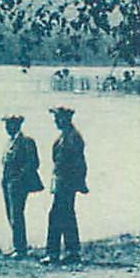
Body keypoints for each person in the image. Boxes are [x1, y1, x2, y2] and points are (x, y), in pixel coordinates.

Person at [42, 106, 88, 265]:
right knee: (66, 215)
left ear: (65, 119)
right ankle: (71, 251)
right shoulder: (67, 136)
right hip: (63, 182)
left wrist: (77, 182)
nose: (55, 122)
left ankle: (54, 253)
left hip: (66, 183)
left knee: (56, 216)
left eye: (57, 119)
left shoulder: (72, 138)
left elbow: (79, 163)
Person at [0, 114, 43, 258]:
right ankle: (18, 245)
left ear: (17, 125)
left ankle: (20, 248)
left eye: (9, 124)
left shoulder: (26, 141)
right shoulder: (10, 142)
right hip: (7, 181)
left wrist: (19, 177)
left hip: (18, 183)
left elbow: (33, 163)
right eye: (6, 125)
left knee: (17, 214)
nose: (7, 127)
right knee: (11, 214)